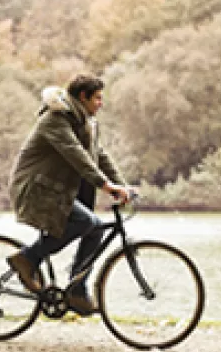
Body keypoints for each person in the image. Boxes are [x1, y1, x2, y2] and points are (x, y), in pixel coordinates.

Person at [7, 74, 133, 316]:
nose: (101, 103)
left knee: (95, 228)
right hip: (35, 189)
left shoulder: (85, 122)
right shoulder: (55, 120)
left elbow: (99, 155)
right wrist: (106, 186)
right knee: (86, 222)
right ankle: (26, 259)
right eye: (97, 98)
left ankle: (76, 288)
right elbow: (76, 155)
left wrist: (121, 185)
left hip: (57, 190)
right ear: (83, 97)